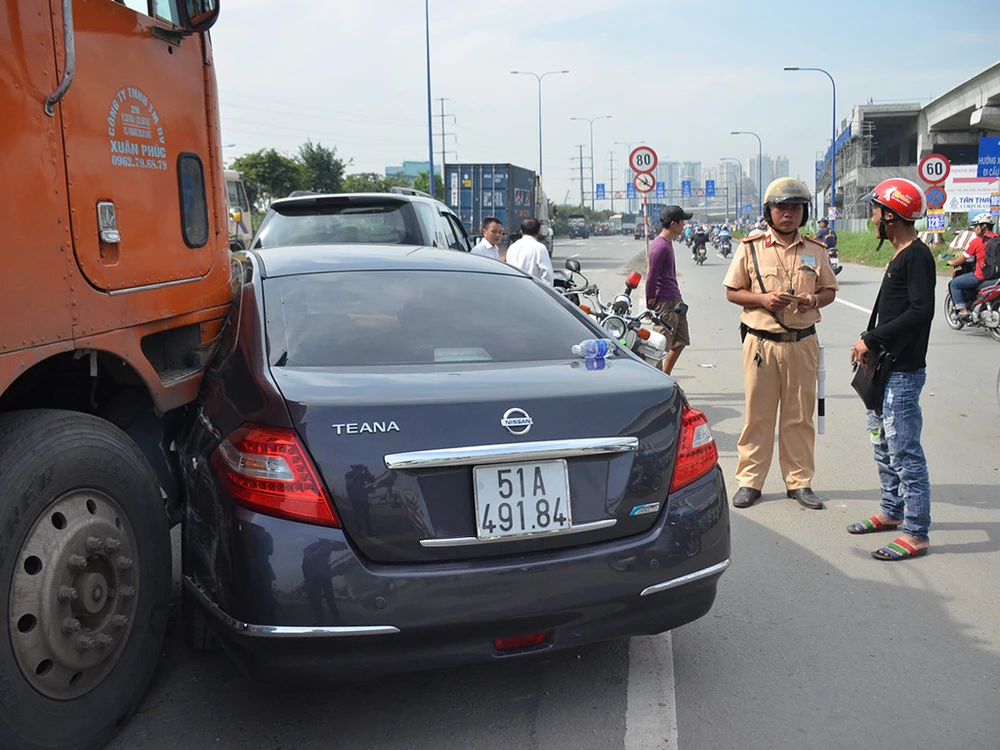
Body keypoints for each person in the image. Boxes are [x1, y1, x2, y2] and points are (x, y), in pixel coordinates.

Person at [722, 178, 839, 510]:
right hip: (761, 345)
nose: (788, 214)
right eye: (781, 207)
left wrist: (812, 299)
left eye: (795, 208)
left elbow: (829, 291)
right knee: (758, 415)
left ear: (804, 213)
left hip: (802, 344)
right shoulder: (751, 247)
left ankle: (799, 482)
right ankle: (750, 481)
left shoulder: (816, 250)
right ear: (769, 212)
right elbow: (732, 291)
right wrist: (763, 299)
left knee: (799, 415)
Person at [848, 177, 935, 561]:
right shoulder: (900, 253)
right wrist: (871, 343)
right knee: (881, 445)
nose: (872, 217)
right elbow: (893, 310)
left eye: (876, 211)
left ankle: (916, 532)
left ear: (891, 215)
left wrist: (871, 340)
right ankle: (891, 510)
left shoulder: (917, 256)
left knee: (904, 451)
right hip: (883, 367)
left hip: (902, 370)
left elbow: (921, 311)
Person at [645, 205, 693, 375]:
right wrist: (650, 300)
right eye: (682, 222)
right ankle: (655, 381)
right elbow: (651, 276)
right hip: (665, 303)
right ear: (674, 223)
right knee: (658, 347)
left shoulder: (668, 243)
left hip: (675, 300)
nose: (684, 226)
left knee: (680, 341)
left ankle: (665, 376)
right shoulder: (660, 247)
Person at [946, 213, 998, 318]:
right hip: (996, 275)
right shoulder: (998, 239)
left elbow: (962, 259)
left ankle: (963, 311)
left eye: (976, 226)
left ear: (984, 226)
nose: (974, 229)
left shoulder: (977, 241)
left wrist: (952, 262)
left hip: (981, 276)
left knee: (954, 284)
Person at [505, 217, 554, 285]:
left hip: (515, 288)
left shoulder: (512, 247)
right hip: (533, 290)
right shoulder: (540, 248)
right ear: (538, 232)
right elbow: (547, 274)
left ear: (521, 231)